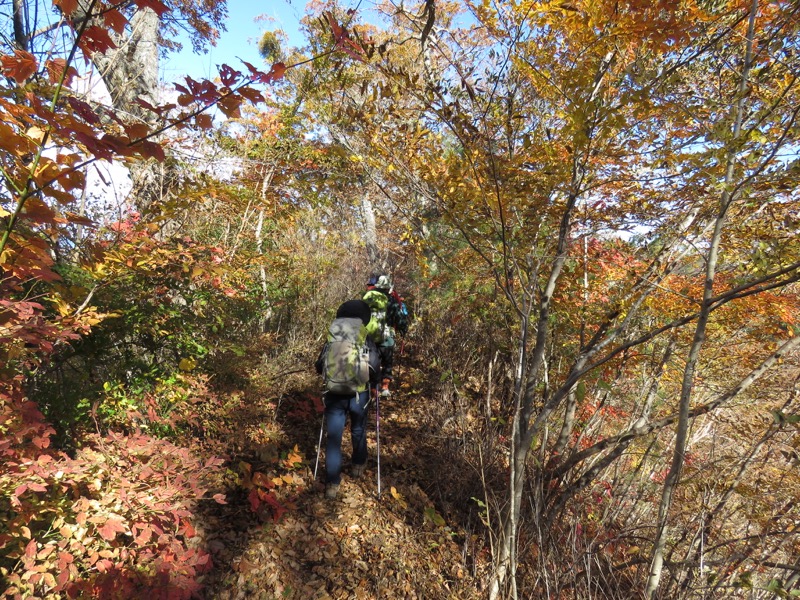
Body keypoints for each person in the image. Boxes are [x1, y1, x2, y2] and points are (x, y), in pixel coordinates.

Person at [315, 299, 378, 499]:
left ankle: (332, 484)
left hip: (334, 393)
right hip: (359, 394)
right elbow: (374, 367)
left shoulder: (333, 335)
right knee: (358, 429)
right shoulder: (364, 336)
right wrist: (375, 382)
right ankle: (358, 465)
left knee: (334, 438)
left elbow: (319, 365)